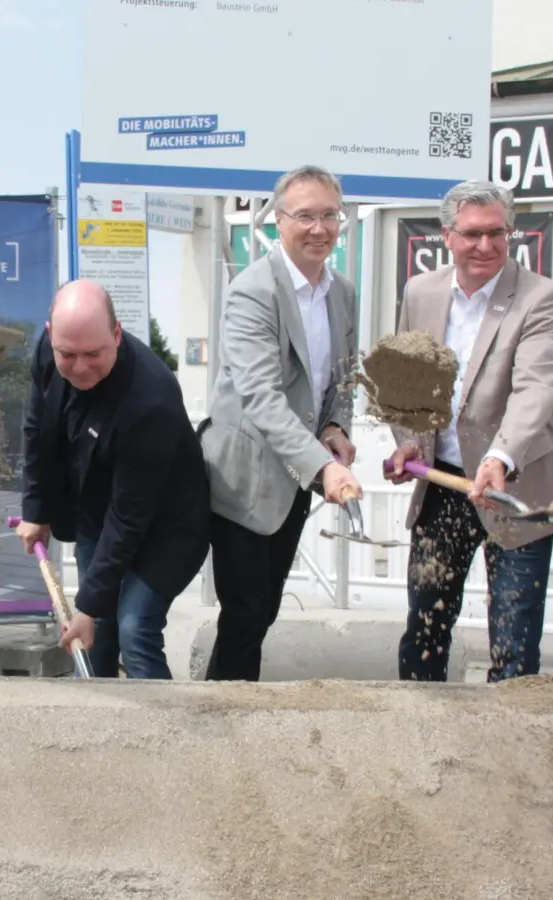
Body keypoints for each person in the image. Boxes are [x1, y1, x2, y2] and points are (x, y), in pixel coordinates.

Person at [385, 179, 553, 683]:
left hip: (516, 484)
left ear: (510, 232)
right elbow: (409, 382)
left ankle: (509, 749)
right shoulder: (420, 292)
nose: (485, 246)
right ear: (446, 235)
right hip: (443, 484)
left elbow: (536, 388)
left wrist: (500, 457)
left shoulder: (541, 298)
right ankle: (420, 735)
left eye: (497, 233)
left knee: (513, 640)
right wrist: (407, 440)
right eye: (471, 234)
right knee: (425, 627)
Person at [199, 165, 361, 682]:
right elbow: (261, 398)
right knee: (245, 611)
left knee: (262, 610)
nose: (319, 228)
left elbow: (344, 377)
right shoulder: (252, 292)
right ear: (277, 220)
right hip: (240, 480)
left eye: (330, 216)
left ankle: (217, 704)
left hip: (294, 479)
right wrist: (324, 468)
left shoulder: (342, 294)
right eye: (305, 216)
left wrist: (336, 428)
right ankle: (230, 722)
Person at [16, 281, 211, 679]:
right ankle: (96, 721)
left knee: (134, 626)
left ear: (117, 335)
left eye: (94, 353)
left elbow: (130, 518)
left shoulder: (150, 400)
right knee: (96, 627)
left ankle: (162, 730)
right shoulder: (48, 352)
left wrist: (87, 608)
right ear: (51, 336)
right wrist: (36, 510)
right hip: (96, 510)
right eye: (67, 354)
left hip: (165, 524)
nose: (81, 366)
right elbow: (37, 432)